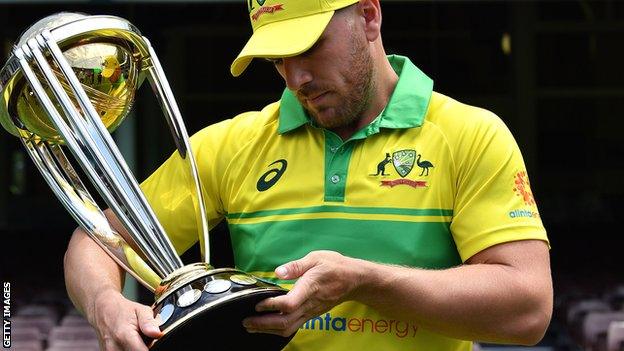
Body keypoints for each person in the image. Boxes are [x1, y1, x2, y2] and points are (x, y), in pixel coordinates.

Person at [64, 0, 553, 350]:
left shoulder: (471, 134)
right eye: (277, 59)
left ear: (368, 16)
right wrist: (106, 304)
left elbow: (528, 310)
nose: (297, 78)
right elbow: (95, 242)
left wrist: (365, 281)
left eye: (311, 46)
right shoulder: (230, 145)